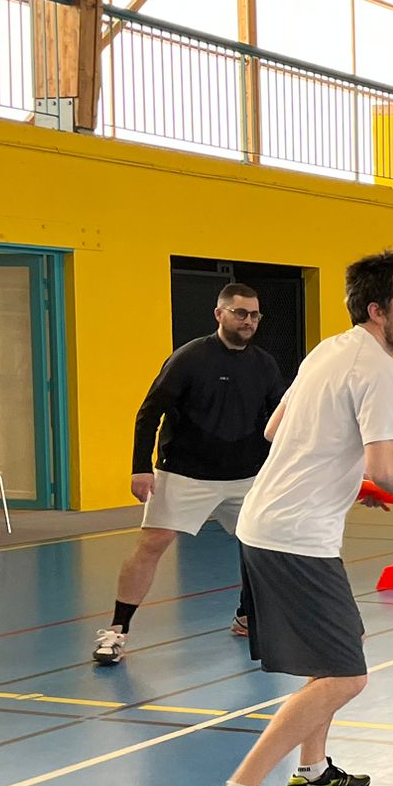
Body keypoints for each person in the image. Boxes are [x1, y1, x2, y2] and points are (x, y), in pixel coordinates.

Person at [189, 252, 393, 786]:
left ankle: (314, 773)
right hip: (294, 536)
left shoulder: (331, 349)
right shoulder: (379, 368)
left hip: (278, 524)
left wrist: (357, 485)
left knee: (332, 655)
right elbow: (383, 462)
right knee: (346, 674)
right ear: (378, 310)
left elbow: (277, 430)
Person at [94, 283, 285, 665]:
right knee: (153, 544)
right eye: (240, 313)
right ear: (220, 314)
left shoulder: (264, 364)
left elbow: (280, 420)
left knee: (262, 545)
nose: (248, 321)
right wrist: (139, 468)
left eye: (254, 315)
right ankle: (116, 632)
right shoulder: (190, 358)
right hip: (185, 473)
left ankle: (248, 617)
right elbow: (150, 413)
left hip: (245, 476)